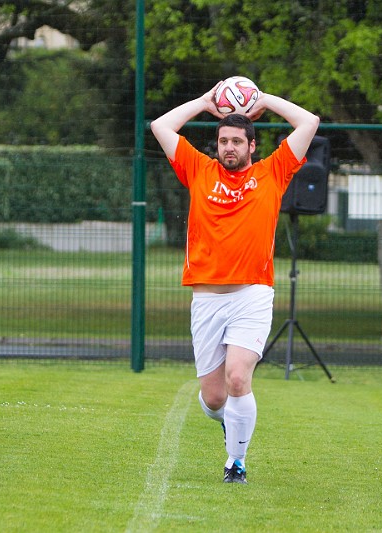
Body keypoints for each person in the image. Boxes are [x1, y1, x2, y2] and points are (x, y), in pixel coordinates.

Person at [150, 82, 319, 484]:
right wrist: (205, 103)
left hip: (252, 294)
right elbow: (160, 125)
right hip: (207, 299)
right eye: (223, 140)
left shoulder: (273, 173)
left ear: (252, 146)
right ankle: (229, 425)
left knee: (239, 377)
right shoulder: (199, 170)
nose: (228, 147)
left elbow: (308, 121)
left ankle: (236, 464)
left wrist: (264, 102)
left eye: (237, 141)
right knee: (213, 398)